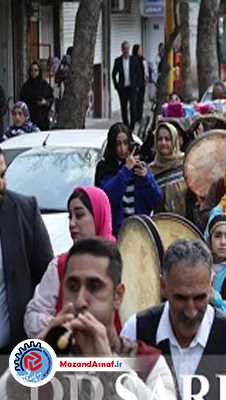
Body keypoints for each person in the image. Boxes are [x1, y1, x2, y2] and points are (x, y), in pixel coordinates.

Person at [5, 238, 177, 399]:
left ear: (117, 296)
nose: (80, 301)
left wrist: (110, 367)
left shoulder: (149, 363)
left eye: (94, 287)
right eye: (72, 287)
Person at [121, 239, 226, 399]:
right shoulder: (136, 330)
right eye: (181, 298)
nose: (191, 311)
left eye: (199, 298)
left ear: (211, 286)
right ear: (162, 286)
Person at [24, 186, 117, 338]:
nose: (72, 223)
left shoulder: (124, 262)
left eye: (79, 215)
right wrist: (62, 324)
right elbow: (33, 315)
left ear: (99, 216)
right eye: (70, 216)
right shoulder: (59, 265)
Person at [0, 147, 53, 353]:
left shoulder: (24, 211)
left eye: (3, 175)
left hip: (13, 356)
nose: (1, 185)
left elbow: (47, 283)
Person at [95, 123, 162, 234]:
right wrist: (126, 170)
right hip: (116, 232)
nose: (122, 149)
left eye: (125, 143)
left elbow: (156, 199)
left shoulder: (139, 164)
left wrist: (146, 178)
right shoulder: (105, 168)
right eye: (118, 144)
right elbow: (107, 198)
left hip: (140, 231)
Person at [148, 122, 188, 216]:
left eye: (167, 139)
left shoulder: (185, 163)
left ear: (174, 141)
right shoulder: (151, 170)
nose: (163, 143)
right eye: (160, 139)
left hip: (186, 224)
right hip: (161, 225)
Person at [112, 41, 144, 130]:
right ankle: (126, 125)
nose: (126, 51)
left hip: (132, 88)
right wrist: (116, 86)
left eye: (127, 49)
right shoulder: (118, 61)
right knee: (124, 108)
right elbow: (114, 74)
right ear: (122, 50)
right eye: (124, 49)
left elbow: (139, 73)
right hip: (123, 88)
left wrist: (137, 85)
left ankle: (132, 126)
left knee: (133, 107)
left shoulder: (134, 60)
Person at [19, 61, 54, 131]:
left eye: (35, 70)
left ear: (39, 71)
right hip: (30, 119)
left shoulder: (44, 85)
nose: (33, 72)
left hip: (43, 120)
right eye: (31, 70)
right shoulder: (26, 87)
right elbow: (22, 102)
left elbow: (51, 98)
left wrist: (45, 102)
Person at [132, 44, 149, 125]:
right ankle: (135, 117)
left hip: (142, 83)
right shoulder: (133, 59)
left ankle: (139, 117)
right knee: (135, 101)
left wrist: (146, 78)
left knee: (141, 100)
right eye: (139, 50)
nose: (141, 52)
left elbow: (145, 70)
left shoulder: (143, 60)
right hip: (136, 84)